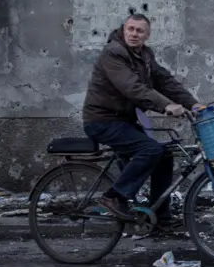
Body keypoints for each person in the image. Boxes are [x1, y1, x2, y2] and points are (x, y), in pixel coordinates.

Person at [81, 13, 203, 226]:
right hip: (102, 121)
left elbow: (165, 82)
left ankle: (158, 217)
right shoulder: (113, 53)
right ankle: (114, 197)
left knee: (164, 155)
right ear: (124, 29)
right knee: (150, 150)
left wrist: (192, 103)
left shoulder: (144, 55)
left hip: (122, 120)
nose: (134, 34)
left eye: (139, 31)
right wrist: (166, 106)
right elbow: (132, 88)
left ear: (147, 35)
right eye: (130, 29)